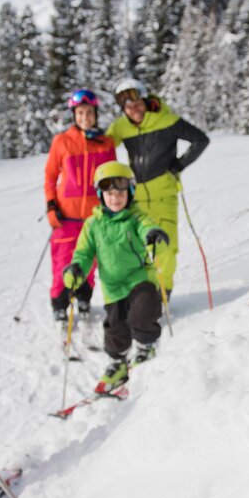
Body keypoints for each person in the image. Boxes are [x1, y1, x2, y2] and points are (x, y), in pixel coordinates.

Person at [61, 161, 170, 393]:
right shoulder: (93, 224)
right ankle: (117, 364)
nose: (115, 198)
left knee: (144, 307)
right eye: (109, 194)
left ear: (130, 194)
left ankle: (145, 348)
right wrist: (77, 269)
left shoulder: (136, 217)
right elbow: (83, 252)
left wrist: (153, 234)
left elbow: (146, 227)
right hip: (112, 286)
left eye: (121, 193)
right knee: (114, 328)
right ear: (101, 196)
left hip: (138, 278)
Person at [105, 78, 209, 295]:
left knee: (165, 246)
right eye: (128, 106)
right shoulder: (121, 126)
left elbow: (200, 140)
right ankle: (142, 294)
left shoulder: (166, 120)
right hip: (136, 198)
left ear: (145, 100)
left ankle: (164, 292)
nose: (133, 110)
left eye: (137, 103)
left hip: (164, 195)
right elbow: (103, 146)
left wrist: (177, 166)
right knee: (137, 248)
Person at [44, 89, 117, 326]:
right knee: (63, 262)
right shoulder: (62, 141)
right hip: (66, 216)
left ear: (96, 114)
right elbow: (50, 176)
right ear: (74, 114)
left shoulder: (105, 143)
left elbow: (111, 177)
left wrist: (111, 209)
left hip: (94, 217)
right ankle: (60, 304)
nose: (85, 117)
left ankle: (84, 297)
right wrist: (51, 205)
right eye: (80, 112)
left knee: (91, 261)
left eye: (89, 112)